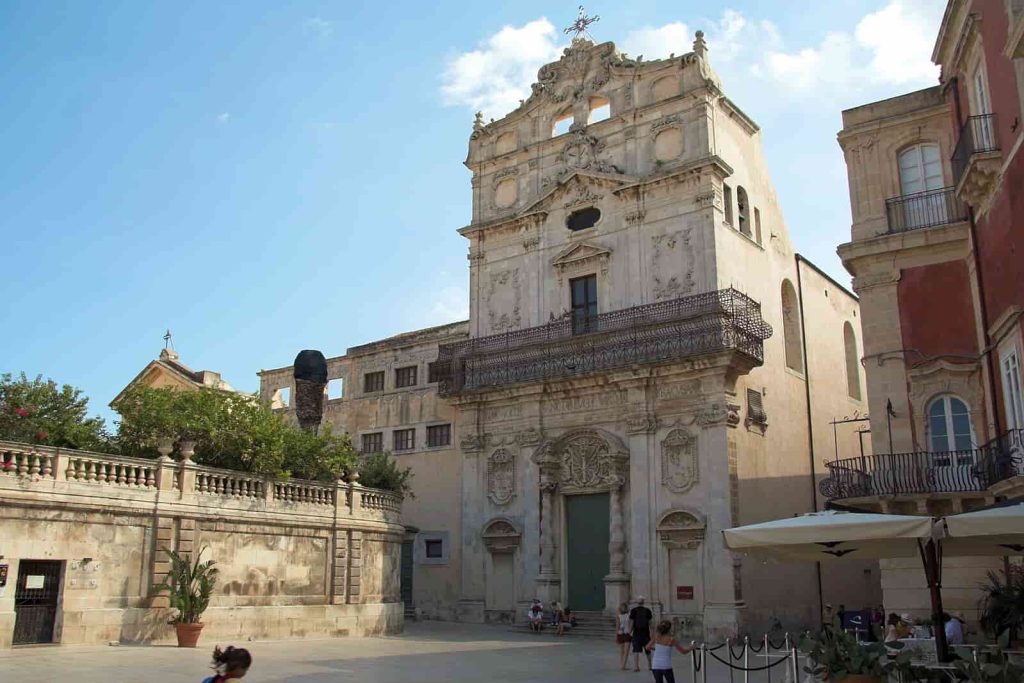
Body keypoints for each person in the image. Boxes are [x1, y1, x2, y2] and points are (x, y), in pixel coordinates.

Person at [629, 596, 654, 672]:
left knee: (636, 650)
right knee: (648, 650)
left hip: (636, 633)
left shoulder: (633, 610)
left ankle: (636, 667)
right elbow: (650, 624)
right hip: (646, 633)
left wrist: (629, 632)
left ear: (637, 602)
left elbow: (632, 623)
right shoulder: (648, 611)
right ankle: (650, 666)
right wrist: (653, 634)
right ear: (643, 602)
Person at [615, 602, 631, 670]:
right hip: (627, 633)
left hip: (620, 633)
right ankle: (624, 665)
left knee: (622, 650)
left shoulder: (618, 616)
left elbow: (617, 626)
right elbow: (630, 625)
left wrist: (616, 636)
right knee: (626, 651)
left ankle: (622, 664)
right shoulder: (629, 616)